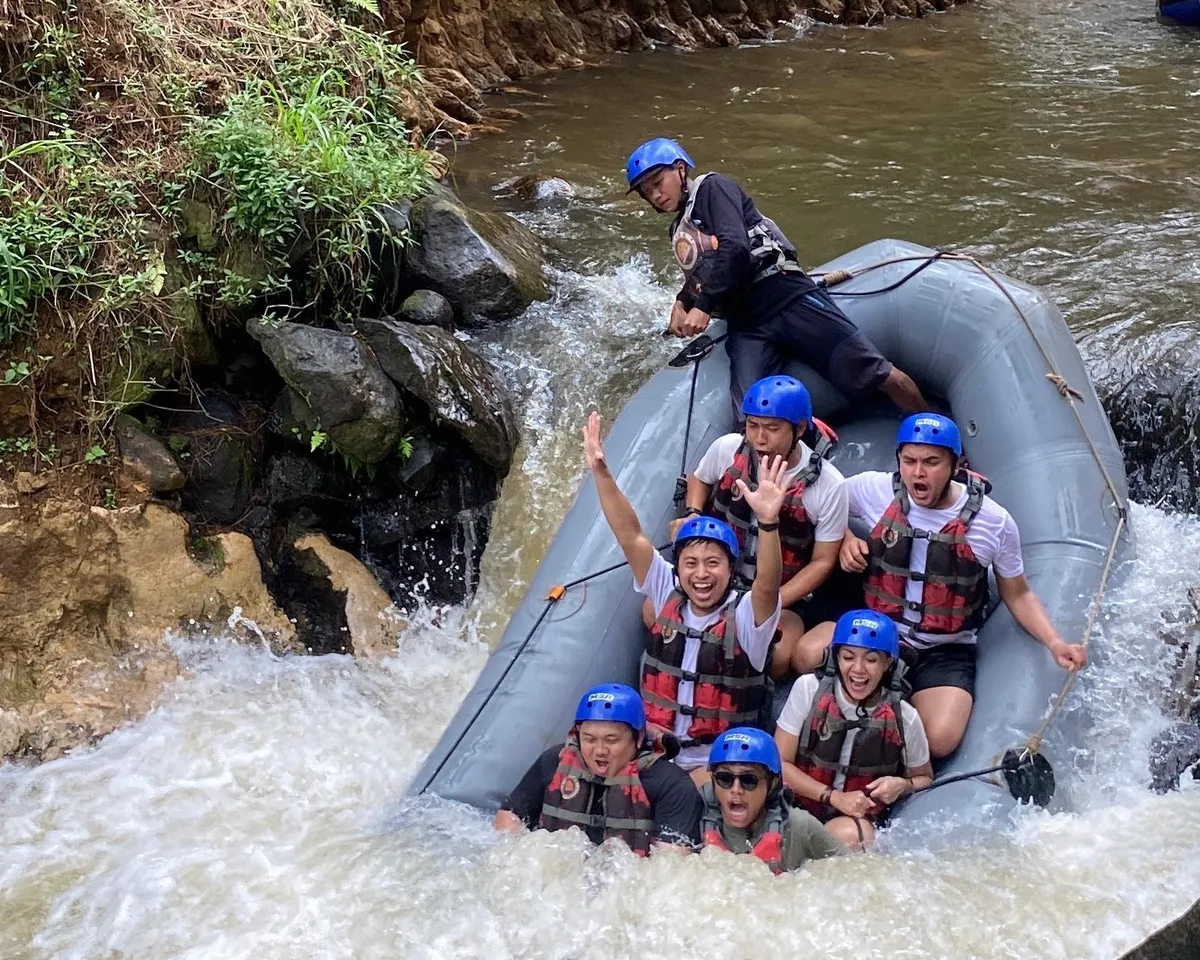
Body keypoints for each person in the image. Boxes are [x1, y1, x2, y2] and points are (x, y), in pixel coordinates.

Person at [796, 412, 1088, 758]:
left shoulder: (993, 522)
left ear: (956, 465)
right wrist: (844, 537)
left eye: (931, 462)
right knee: (805, 655)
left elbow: (1018, 592)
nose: (918, 473)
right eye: (910, 461)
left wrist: (1055, 643)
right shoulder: (873, 489)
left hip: (945, 648)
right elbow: (825, 503)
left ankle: (895, 710)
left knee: (939, 739)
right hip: (875, 631)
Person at [623, 137, 929, 418]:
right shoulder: (679, 229)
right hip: (747, 323)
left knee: (877, 373)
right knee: (751, 415)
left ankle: (937, 438)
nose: (655, 194)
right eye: (646, 191)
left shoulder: (712, 189)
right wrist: (683, 300)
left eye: (657, 182)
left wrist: (702, 305)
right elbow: (707, 267)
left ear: (679, 169)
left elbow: (736, 248)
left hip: (784, 294)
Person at [582, 410, 788, 784]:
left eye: (713, 563)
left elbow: (769, 584)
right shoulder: (666, 592)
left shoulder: (746, 616)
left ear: (731, 569)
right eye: (691, 563)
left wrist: (769, 522)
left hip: (716, 765)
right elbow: (631, 536)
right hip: (655, 753)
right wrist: (601, 473)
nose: (702, 574)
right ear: (678, 570)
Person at [672, 375, 849, 638]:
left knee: (778, 657)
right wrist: (693, 513)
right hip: (717, 577)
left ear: (799, 429)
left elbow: (822, 562)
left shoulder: (829, 485)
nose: (759, 439)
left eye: (772, 428)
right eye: (753, 426)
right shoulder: (727, 448)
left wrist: (771, 600)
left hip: (779, 591)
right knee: (653, 611)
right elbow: (700, 478)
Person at [775, 610, 934, 848]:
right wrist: (834, 797)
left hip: (853, 819)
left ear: (888, 663)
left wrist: (902, 785)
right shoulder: (808, 689)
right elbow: (779, 765)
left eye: (870, 660)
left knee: (850, 837)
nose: (858, 670)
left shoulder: (905, 717)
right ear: (836, 657)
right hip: (798, 805)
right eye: (848, 657)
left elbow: (924, 778)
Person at [494, 683, 703, 852]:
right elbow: (509, 819)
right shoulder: (553, 762)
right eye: (589, 739)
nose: (600, 751)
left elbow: (674, 863)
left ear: (638, 738)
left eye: (611, 740)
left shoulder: (670, 784)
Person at [700, 726, 845, 872]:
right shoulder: (694, 815)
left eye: (749, 780)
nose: (736, 789)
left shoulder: (799, 825)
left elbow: (850, 870)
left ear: (772, 784)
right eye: (725, 778)